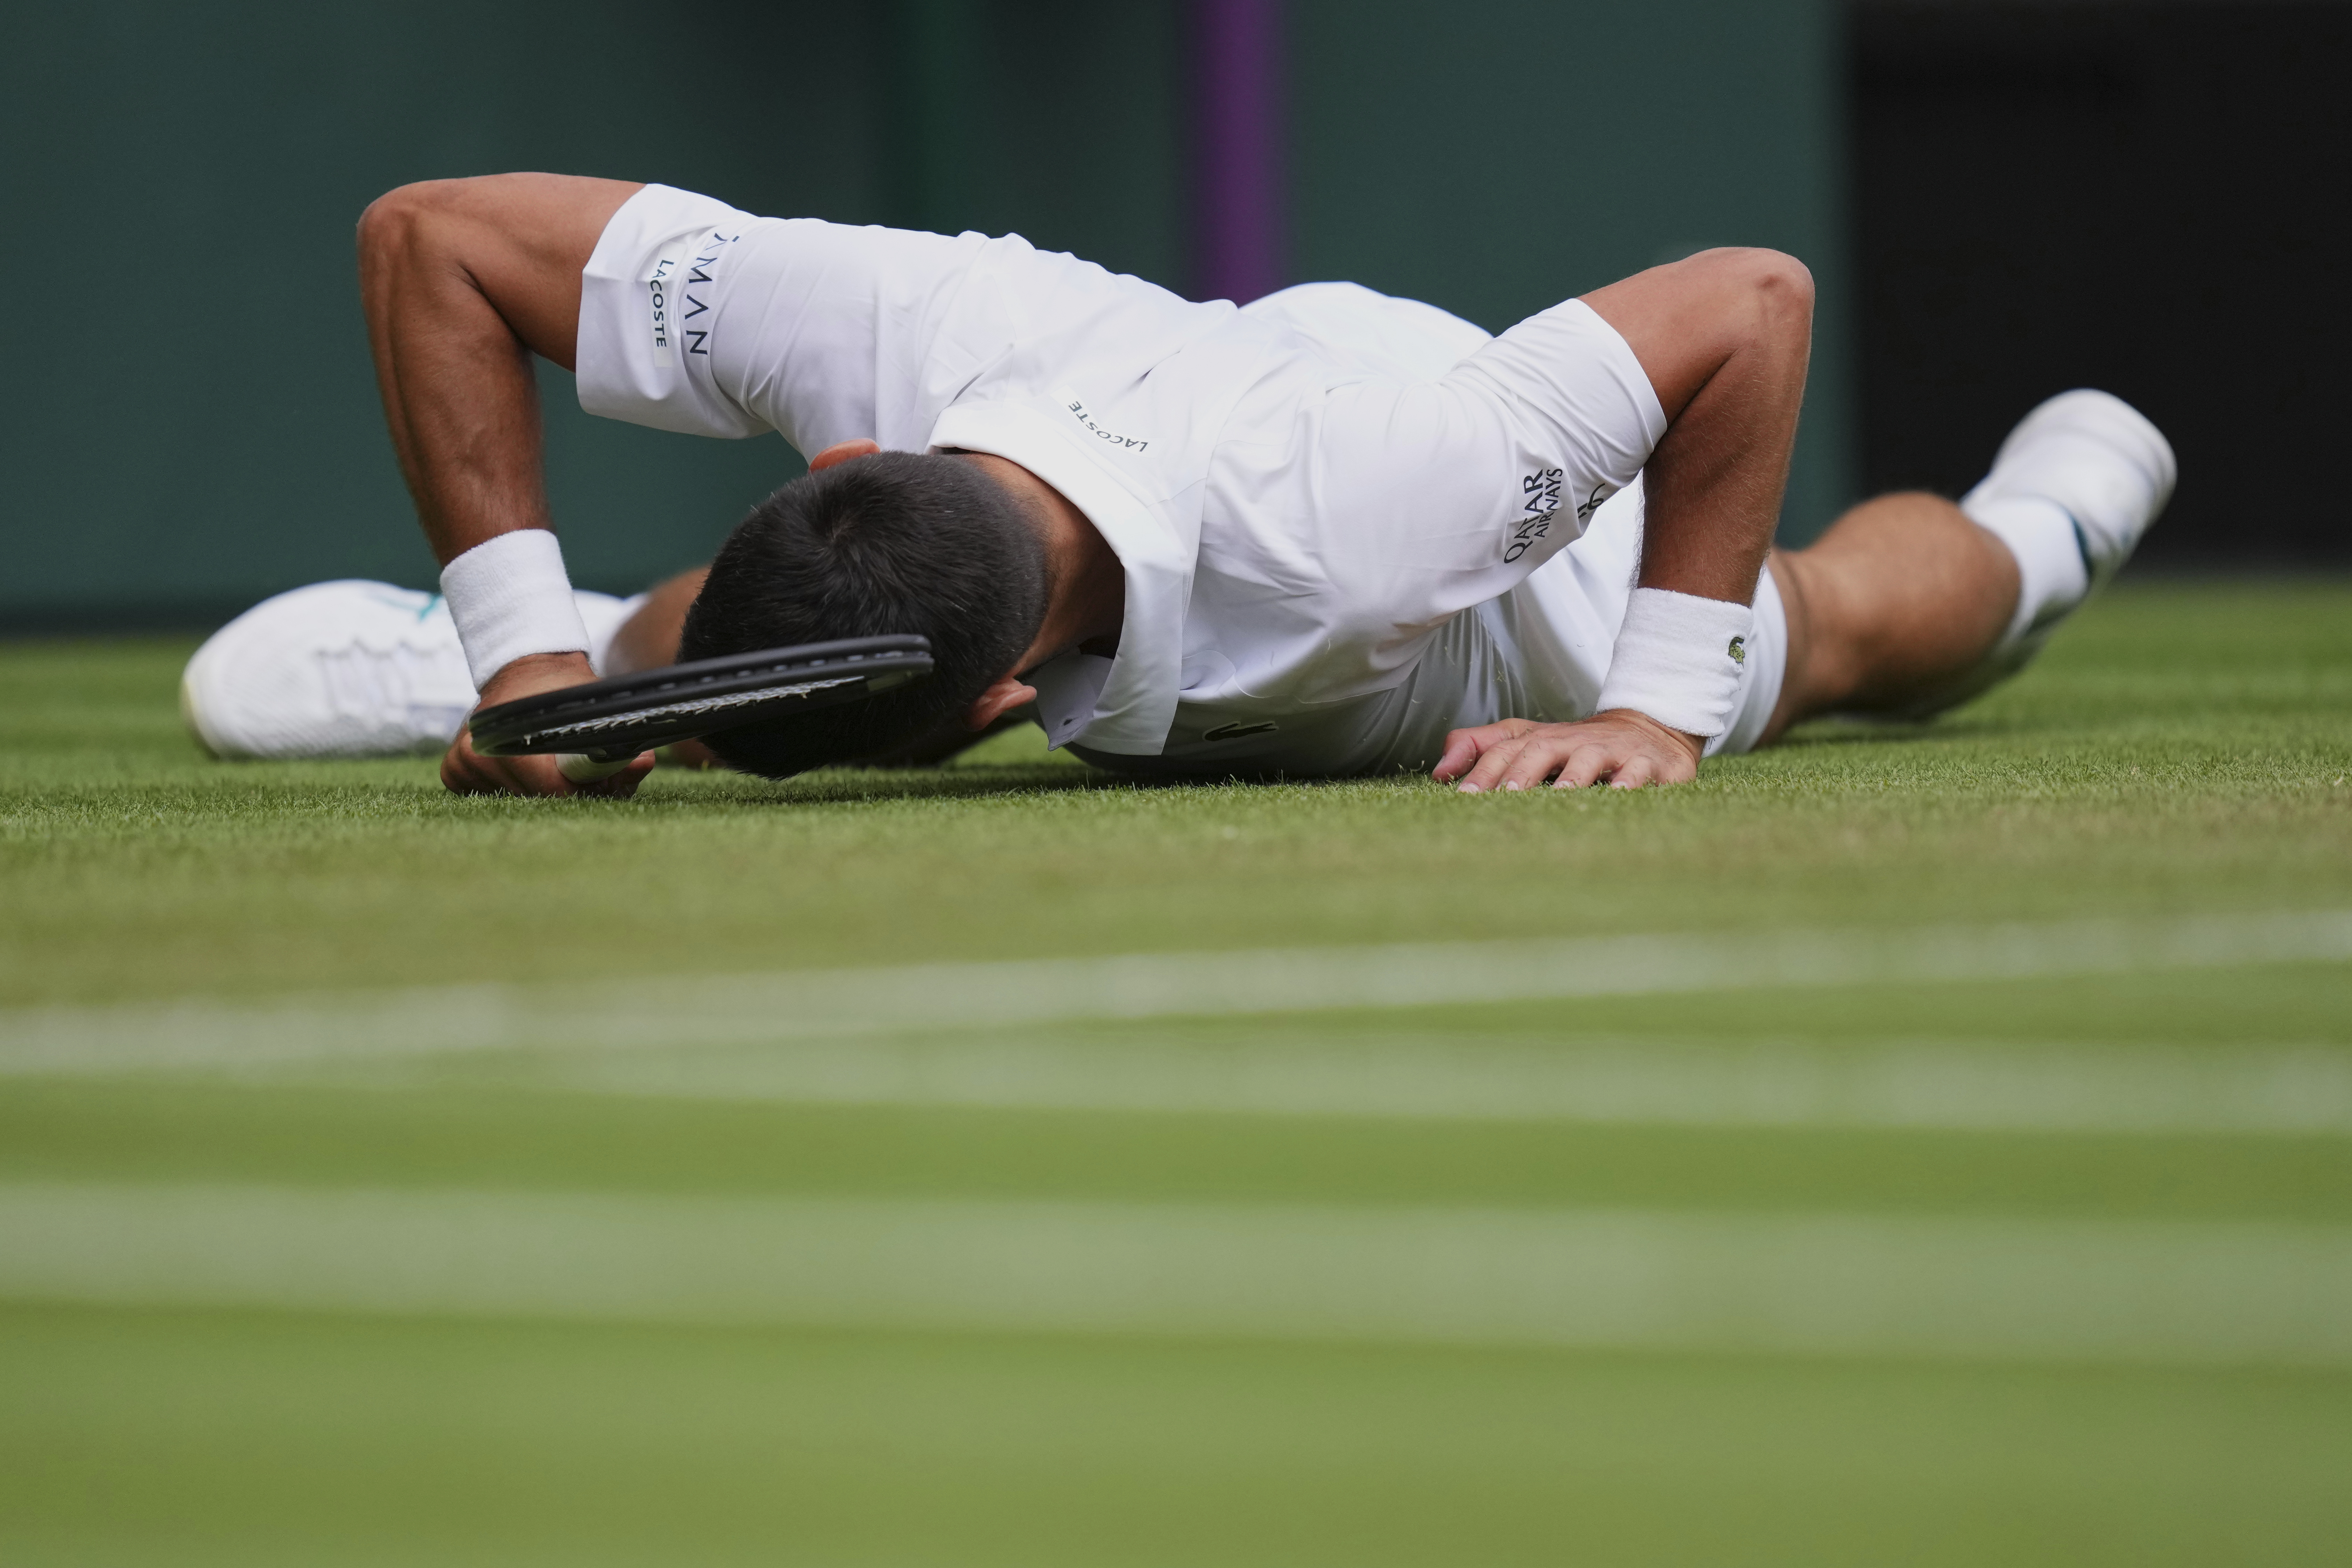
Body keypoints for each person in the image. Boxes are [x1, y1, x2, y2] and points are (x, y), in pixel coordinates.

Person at [180, 175, 2174, 796]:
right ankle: (520, 655)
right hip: (1226, 428)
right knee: (782, 630)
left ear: (992, 719)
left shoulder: (1401, 495)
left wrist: (1655, 698)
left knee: (1822, 638)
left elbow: (1749, 304)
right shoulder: (881, 320)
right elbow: (430, 238)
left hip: (1499, 618)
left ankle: (2044, 528)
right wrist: (527, 654)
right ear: (849, 448)